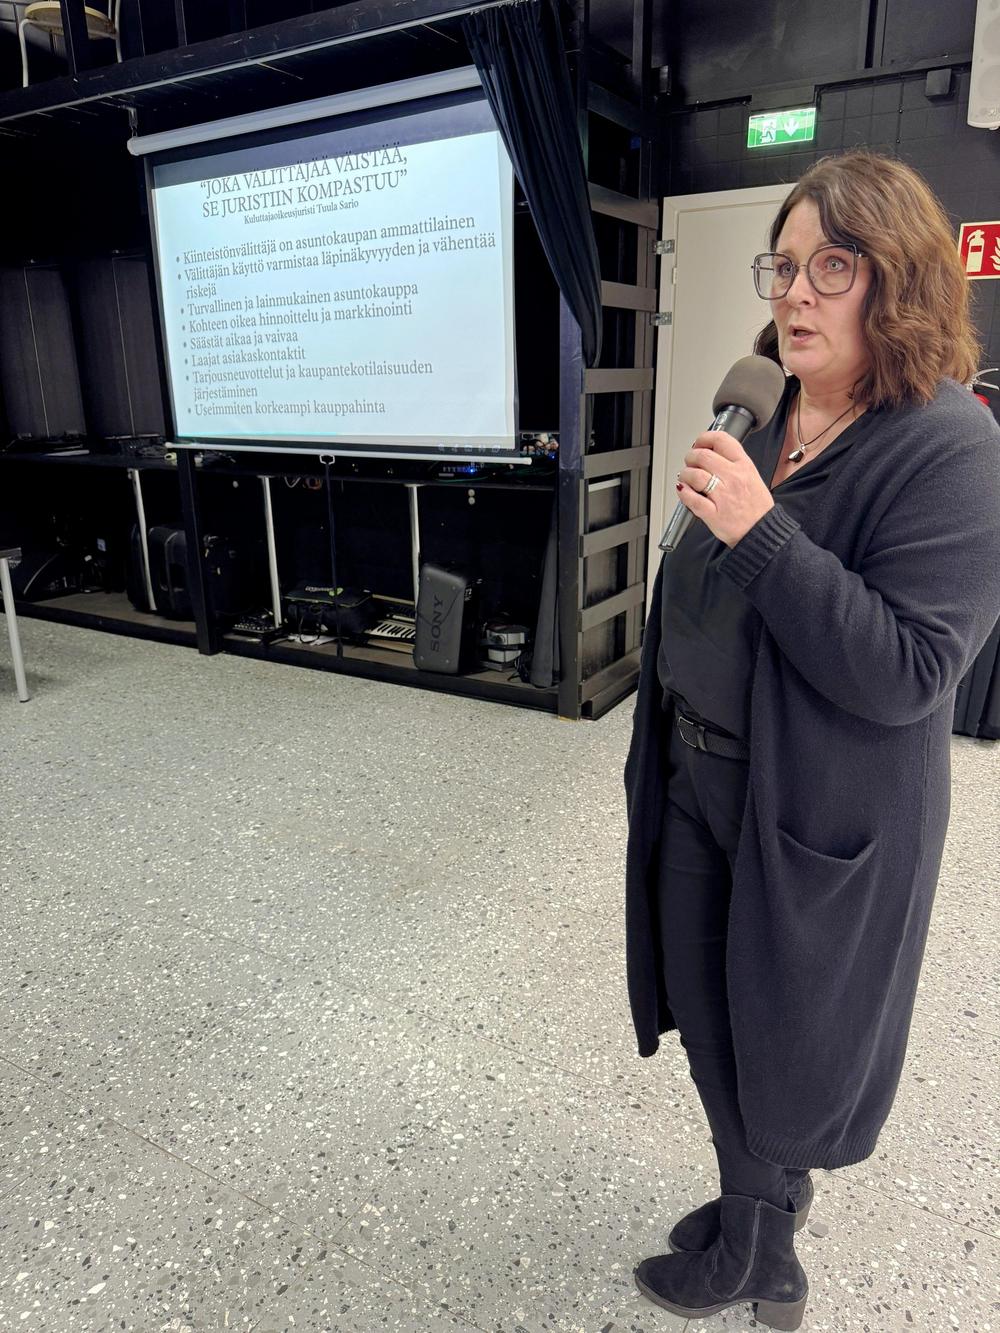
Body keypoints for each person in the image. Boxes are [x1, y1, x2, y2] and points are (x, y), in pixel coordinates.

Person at [623, 149, 1000, 1330]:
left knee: (780, 1039)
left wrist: (759, 532)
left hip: (815, 812)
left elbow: (909, 671)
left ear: (898, 276)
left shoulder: (950, 447)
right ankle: (760, 1212)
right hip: (696, 772)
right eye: (781, 266)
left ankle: (757, 1249)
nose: (793, 293)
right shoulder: (766, 403)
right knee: (707, 1007)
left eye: (829, 266)